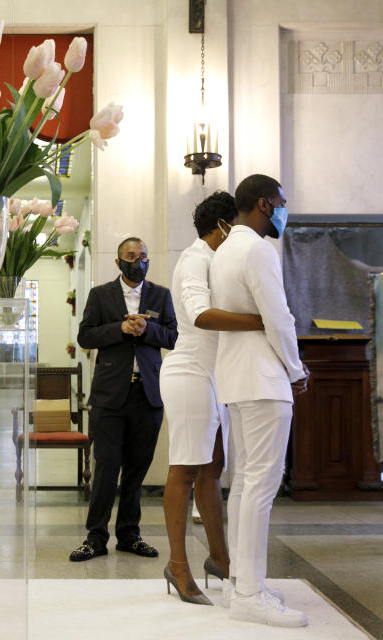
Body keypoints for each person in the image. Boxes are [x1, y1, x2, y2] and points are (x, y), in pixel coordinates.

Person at [210, 174, 310, 627]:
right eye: (282, 203)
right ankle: (250, 591)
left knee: (245, 484)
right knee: (262, 486)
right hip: (265, 379)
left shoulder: (226, 248)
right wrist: (296, 368)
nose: (285, 211)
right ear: (265, 204)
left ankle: (242, 585)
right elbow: (278, 317)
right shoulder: (258, 249)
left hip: (235, 378)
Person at [159, 191, 264, 604]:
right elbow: (200, 315)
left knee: (212, 468)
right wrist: (262, 321)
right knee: (185, 469)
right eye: (235, 226)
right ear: (223, 226)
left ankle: (220, 558)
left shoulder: (215, 259)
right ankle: (178, 566)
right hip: (189, 373)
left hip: (212, 374)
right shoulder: (196, 259)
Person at [69, 237, 178, 562]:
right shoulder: (101, 295)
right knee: (106, 467)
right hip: (109, 395)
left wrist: (146, 330)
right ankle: (96, 536)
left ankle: (130, 534)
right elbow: (86, 335)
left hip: (148, 395)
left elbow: (173, 336)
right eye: (131, 256)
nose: (138, 261)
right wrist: (120, 328)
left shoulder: (161, 294)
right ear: (118, 262)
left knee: (136, 469)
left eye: (143, 256)